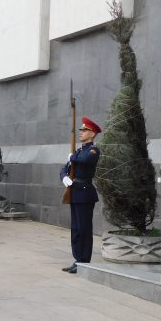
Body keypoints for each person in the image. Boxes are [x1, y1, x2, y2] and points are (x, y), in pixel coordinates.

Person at [60, 117, 101, 274]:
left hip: (85, 193)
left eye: (84, 131)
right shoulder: (77, 151)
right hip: (74, 192)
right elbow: (65, 168)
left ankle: (84, 261)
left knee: (84, 228)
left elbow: (84, 160)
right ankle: (77, 259)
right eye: (81, 130)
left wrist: (71, 157)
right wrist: (64, 177)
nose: (81, 133)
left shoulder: (92, 151)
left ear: (92, 134)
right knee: (76, 228)